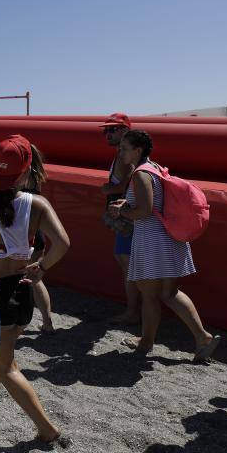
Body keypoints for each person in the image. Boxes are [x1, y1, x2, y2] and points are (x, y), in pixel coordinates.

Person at [0, 135, 69, 445]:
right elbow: (62, 243)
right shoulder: (38, 205)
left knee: (3, 364)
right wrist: (43, 267)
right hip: (21, 291)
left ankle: (47, 429)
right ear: (25, 173)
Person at [107, 130, 220, 359]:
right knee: (170, 293)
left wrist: (122, 210)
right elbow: (153, 204)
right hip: (170, 237)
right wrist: (128, 203)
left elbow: (145, 211)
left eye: (125, 148)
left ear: (137, 150)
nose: (120, 152)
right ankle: (202, 337)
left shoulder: (140, 174)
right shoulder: (156, 168)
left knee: (149, 295)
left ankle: (145, 344)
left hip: (151, 241)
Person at [99, 113, 141, 324]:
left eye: (112, 129)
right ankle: (134, 310)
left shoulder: (125, 157)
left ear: (125, 131)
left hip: (126, 217)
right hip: (125, 215)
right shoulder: (121, 154)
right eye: (105, 130)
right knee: (125, 261)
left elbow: (130, 179)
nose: (107, 133)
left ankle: (132, 312)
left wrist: (110, 189)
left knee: (127, 263)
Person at [23, 144, 55, 332]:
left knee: (20, 280)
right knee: (36, 280)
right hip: (38, 234)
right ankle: (47, 322)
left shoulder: (24, 175)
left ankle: (20, 322)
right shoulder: (37, 174)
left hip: (26, 235)